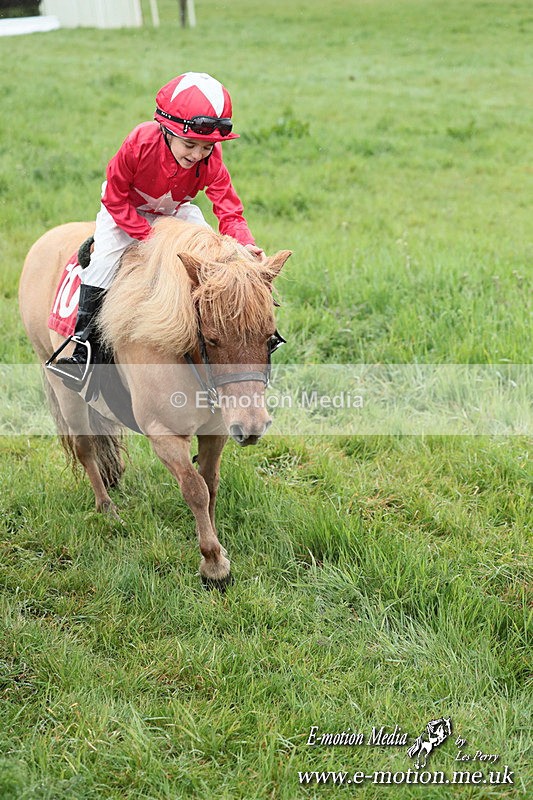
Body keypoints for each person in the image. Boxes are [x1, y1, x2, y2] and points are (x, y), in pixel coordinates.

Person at [56, 71, 264, 380]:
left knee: (213, 257)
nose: (198, 155)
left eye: (206, 148)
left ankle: (218, 339)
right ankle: (83, 347)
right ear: (167, 130)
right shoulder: (139, 141)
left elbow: (228, 206)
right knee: (101, 262)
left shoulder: (211, 156)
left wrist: (245, 245)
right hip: (125, 209)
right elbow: (115, 197)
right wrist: (148, 237)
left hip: (176, 211)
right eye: (190, 144)